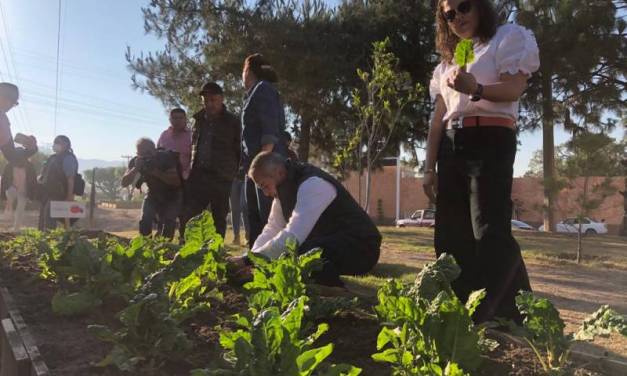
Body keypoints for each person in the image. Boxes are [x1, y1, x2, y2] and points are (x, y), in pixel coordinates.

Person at [423, 0, 539, 323]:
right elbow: (437, 121)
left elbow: (514, 88)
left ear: (481, 7)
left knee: (488, 230)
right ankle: (467, 313)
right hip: (451, 145)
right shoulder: (446, 65)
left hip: (491, 140)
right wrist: (428, 168)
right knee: (450, 234)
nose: (457, 17)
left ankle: (511, 316)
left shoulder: (507, 38)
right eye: (449, 14)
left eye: (464, 7)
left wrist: (476, 88)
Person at [229, 152, 381, 287]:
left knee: (299, 252)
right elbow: (272, 229)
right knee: (293, 252)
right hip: (329, 242)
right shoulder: (283, 190)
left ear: (279, 172)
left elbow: (293, 236)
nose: (265, 194)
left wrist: (248, 260)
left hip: (362, 248)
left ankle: (332, 289)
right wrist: (251, 261)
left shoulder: (313, 184)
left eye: (264, 186)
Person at [180, 82, 241, 239]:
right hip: (198, 175)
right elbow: (194, 146)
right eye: (206, 100)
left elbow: (239, 149)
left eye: (213, 100)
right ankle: (188, 249)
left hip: (221, 178)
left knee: (218, 217)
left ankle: (215, 252)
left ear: (221, 99)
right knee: (189, 215)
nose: (209, 104)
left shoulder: (233, 122)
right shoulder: (198, 120)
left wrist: (234, 173)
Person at [241, 54, 288, 247]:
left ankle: (269, 255)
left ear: (248, 71)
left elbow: (269, 130)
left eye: (242, 71)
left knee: (266, 214)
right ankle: (254, 255)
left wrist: (262, 162)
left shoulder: (263, 89)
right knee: (253, 213)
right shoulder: (255, 92)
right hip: (255, 165)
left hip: (265, 165)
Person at [121, 138, 182, 239]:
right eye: (141, 153)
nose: (145, 156)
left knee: (168, 222)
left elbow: (176, 182)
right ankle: (145, 246)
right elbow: (124, 183)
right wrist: (135, 169)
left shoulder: (166, 157)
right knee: (145, 219)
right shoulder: (137, 161)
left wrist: (156, 172)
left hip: (173, 195)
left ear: (154, 150)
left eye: (148, 152)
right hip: (153, 193)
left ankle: (165, 248)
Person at [38, 135, 79, 230]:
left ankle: (49, 240)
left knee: (50, 218)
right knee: (43, 217)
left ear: (65, 145)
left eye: (57, 142)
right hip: (47, 193)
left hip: (58, 194)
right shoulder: (53, 158)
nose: (55, 145)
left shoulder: (68, 159)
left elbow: (70, 179)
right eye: (55, 142)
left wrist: (69, 196)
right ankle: (43, 239)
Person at [0, 83, 38, 164]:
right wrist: (32, 149)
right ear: (5, 99)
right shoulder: (2, 119)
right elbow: (12, 156)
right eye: (13, 102)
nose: (11, 106)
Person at [1, 146, 37, 231]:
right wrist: (3, 194)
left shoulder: (30, 167)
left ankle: (16, 228)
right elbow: (4, 179)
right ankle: (6, 221)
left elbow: (33, 181)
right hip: (12, 188)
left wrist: (32, 195)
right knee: (10, 201)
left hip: (24, 190)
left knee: (20, 209)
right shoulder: (9, 166)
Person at [157, 108, 192, 180]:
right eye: (175, 118)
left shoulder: (192, 136)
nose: (178, 120)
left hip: (186, 179)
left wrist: (187, 173)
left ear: (185, 119)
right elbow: (157, 153)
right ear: (170, 120)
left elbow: (196, 158)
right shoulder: (164, 135)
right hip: (164, 178)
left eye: (181, 118)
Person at [230, 167, 248, 246]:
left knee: (244, 206)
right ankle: (236, 236)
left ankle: (248, 235)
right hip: (233, 178)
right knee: (234, 209)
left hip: (245, 177)